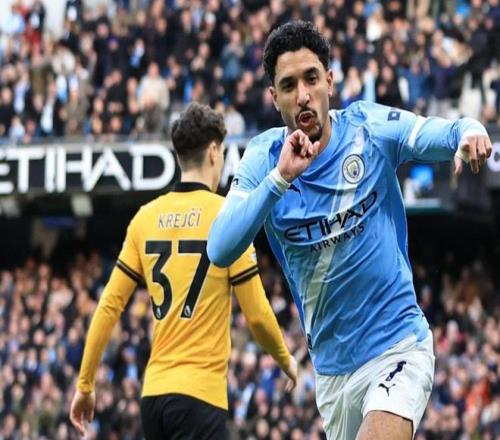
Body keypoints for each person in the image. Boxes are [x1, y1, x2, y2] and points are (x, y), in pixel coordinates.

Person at [207, 21, 492, 440]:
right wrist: (280, 179)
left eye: (311, 78)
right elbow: (219, 248)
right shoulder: (264, 158)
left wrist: (470, 130)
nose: (303, 95)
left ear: (330, 81)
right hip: (333, 373)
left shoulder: (367, 129)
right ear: (273, 97)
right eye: (288, 85)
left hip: (398, 346)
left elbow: (437, 132)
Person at [70, 102, 298, 440]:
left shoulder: (145, 218)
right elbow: (257, 315)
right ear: (213, 152)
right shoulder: (227, 217)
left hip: (154, 397)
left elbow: (108, 306)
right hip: (200, 397)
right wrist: (285, 359)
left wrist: (85, 384)